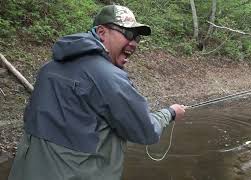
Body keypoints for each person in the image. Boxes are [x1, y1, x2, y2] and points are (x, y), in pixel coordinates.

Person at [8, 4, 186, 180]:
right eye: (129, 34)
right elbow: (146, 131)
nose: (133, 43)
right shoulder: (110, 78)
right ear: (102, 32)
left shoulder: (49, 68)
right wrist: (169, 113)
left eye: (137, 38)